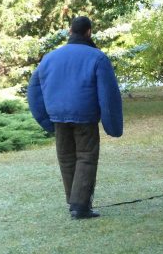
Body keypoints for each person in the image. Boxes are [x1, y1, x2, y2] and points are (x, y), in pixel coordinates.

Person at [27, 16, 123, 219]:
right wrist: (113, 125)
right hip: (85, 116)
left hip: (58, 117)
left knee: (66, 158)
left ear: (70, 32)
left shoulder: (50, 58)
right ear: (89, 32)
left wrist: (45, 119)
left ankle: (74, 202)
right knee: (86, 157)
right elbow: (108, 94)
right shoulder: (97, 57)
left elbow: (34, 91)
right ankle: (80, 206)